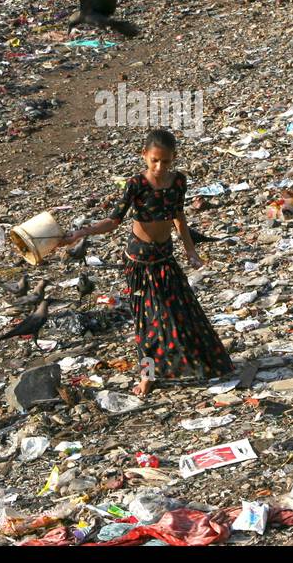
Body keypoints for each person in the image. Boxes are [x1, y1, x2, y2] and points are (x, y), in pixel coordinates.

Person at [59, 129, 233, 397]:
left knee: (183, 312)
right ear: (144, 156)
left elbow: (179, 217)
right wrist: (82, 232)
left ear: (174, 158)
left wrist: (190, 251)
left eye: (165, 161)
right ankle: (147, 376)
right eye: (154, 160)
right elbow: (114, 221)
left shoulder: (178, 183)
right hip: (139, 261)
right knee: (148, 322)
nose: (160, 167)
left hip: (165, 256)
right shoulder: (136, 184)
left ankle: (204, 365)